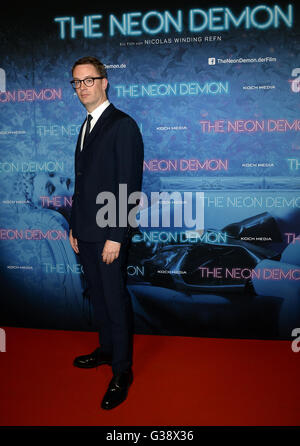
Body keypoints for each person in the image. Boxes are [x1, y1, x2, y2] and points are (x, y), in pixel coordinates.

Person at [68, 56, 144, 410]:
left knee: (114, 300)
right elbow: (83, 184)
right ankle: (106, 349)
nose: (83, 88)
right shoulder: (85, 125)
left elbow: (128, 184)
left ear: (104, 82)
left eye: (89, 80)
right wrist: (74, 226)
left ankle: (122, 371)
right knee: (97, 298)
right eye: (77, 82)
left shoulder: (122, 125)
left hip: (109, 233)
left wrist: (117, 234)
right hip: (85, 231)